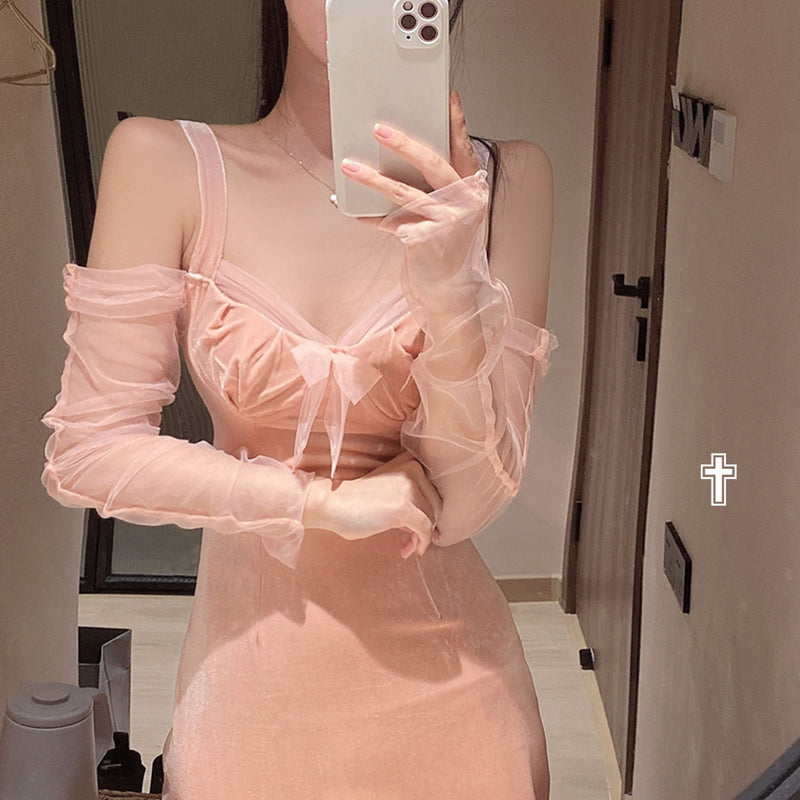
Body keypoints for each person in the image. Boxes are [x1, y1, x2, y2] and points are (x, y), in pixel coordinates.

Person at [40, 1, 559, 797]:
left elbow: (470, 502)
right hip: (252, 702)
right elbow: (89, 453)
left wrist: (452, 285)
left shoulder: (509, 183)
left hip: (460, 704)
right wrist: (318, 503)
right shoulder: (164, 163)